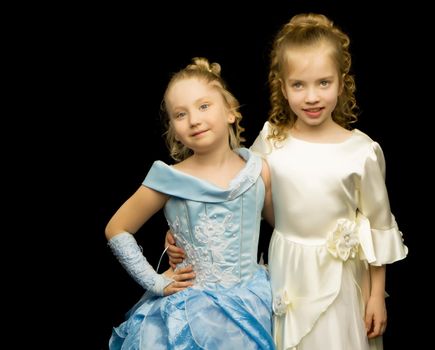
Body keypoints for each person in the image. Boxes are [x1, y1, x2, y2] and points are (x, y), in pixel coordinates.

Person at [167, 13, 408, 350]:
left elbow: (378, 225)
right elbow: (233, 189)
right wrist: (185, 228)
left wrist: (377, 296)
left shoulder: (362, 152)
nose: (311, 97)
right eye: (299, 85)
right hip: (286, 271)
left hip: (338, 279)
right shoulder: (271, 141)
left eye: (323, 83)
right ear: (283, 87)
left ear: (341, 82)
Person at [105, 57, 276, 350]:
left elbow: (282, 229)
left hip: (254, 300)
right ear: (173, 128)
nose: (194, 120)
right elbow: (117, 228)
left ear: (231, 112)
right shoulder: (168, 178)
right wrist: (156, 281)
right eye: (180, 114)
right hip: (193, 310)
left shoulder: (258, 170)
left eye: (204, 106)